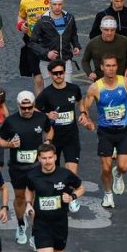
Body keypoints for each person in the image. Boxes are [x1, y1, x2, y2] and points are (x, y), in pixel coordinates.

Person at [79, 55, 127, 208]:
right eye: (108, 66)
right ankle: (108, 194)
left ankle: (118, 174)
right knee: (105, 168)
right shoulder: (96, 87)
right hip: (105, 132)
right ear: (102, 67)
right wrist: (85, 116)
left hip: (124, 131)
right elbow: (85, 104)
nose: (111, 69)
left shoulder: (125, 82)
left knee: (124, 167)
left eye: (113, 65)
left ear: (117, 67)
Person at [0, 91, 52, 246]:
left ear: (34, 105)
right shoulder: (11, 121)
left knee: (36, 199)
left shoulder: (41, 118)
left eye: (29, 107)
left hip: (36, 166)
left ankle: (35, 233)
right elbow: (0, 141)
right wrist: (9, 144)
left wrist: (48, 141)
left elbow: (49, 130)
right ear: (18, 105)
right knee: (20, 197)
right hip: (18, 167)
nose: (27, 110)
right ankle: (21, 224)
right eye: (23, 108)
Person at [23, 143, 83, 252]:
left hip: (60, 224)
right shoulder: (32, 175)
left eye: (50, 157)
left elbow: (81, 188)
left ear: (55, 157)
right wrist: (28, 204)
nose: (47, 161)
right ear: (39, 159)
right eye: (44, 158)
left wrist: (72, 197)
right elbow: (29, 189)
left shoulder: (65, 174)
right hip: (41, 224)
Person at [34, 59, 82, 193]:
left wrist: (84, 113)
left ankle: (69, 198)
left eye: (61, 72)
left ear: (65, 72)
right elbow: (35, 111)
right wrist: (47, 115)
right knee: (53, 173)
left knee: (72, 172)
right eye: (55, 73)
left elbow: (80, 101)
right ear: (50, 74)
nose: (59, 75)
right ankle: (55, 197)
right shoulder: (46, 93)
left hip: (71, 137)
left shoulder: (74, 89)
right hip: (53, 138)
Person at [28, 0, 81, 86]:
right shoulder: (42, 21)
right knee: (50, 89)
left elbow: (73, 34)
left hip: (65, 60)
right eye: (54, 4)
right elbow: (32, 42)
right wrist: (47, 53)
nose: (57, 7)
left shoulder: (69, 18)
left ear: (63, 4)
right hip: (47, 62)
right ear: (50, 4)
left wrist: (76, 45)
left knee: (67, 88)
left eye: (60, 4)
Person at [17, 0, 50, 94]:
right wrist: (20, 25)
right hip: (33, 42)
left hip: (49, 42)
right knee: (38, 79)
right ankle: (40, 104)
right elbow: (21, 16)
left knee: (50, 77)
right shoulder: (25, 2)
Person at [82, 17, 127, 81]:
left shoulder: (124, 41)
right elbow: (85, 60)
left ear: (115, 29)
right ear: (101, 29)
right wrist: (89, 73)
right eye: (106, 30)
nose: (109, 33)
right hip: (100, 81)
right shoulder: (93, 43)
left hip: (121, 81)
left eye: (112, 30)